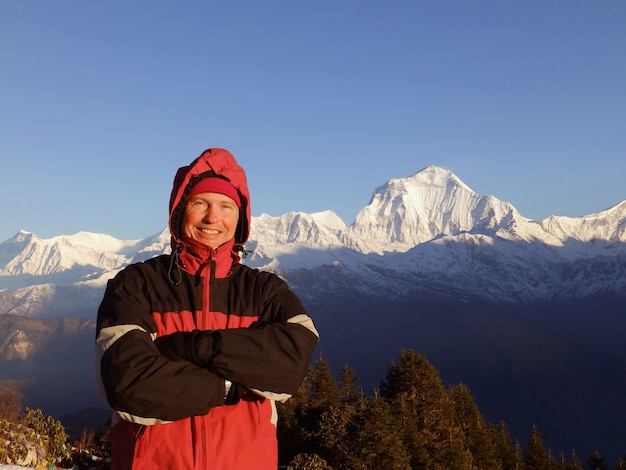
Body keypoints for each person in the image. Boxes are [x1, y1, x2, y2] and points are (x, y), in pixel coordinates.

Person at [95, 148, 319, 469]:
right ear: (178, 213)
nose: (213, 218)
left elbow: (289, 367)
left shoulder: (266, 290)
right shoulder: (136, 284)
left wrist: (193, 348)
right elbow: (129, 384)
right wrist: (228, 385)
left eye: (226, 206)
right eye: (200, 203)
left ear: (239, 219)